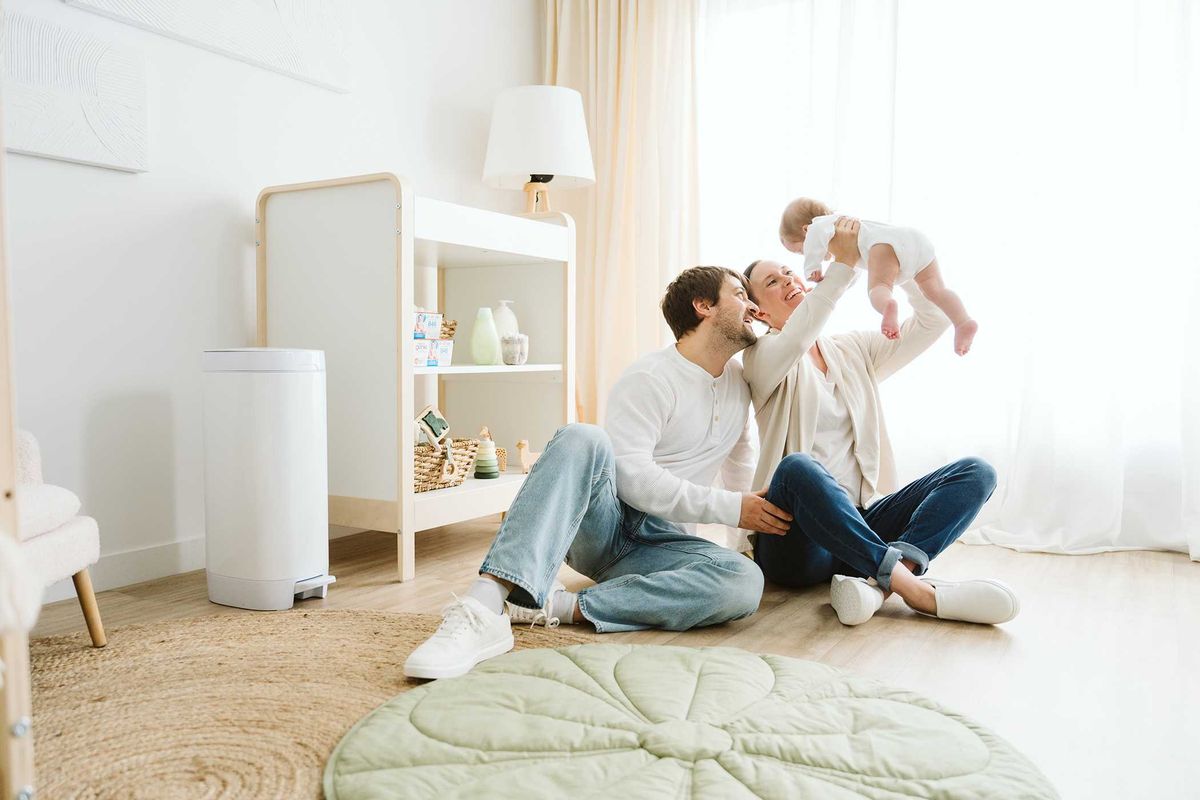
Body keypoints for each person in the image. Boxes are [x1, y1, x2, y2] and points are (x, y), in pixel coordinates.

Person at [404, 265, 792, 680]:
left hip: (664, 545)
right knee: (583, 436)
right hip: (606, 528)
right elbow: (634, 478)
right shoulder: (650, 377)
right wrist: (732, 508)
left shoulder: (739, 384)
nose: (751, 304)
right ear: (703, 307)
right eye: (739, 294)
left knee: (743, 582)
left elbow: (739, 467)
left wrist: (746, 540)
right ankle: (484, 605)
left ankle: (550, 606)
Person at [742, 216, 1018, 626]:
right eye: (772, 283)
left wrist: (892, 260)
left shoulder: (852, 350)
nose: (787, 281)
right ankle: (914, 589)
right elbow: (798, 337)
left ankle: (880, 583)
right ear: (759, 311)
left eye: (788, 272)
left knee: (976, 472)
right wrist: (845, 263)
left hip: (860, 523)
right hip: (795, 540)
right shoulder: (761, 357)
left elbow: (933, 321)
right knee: (798, 468)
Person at [780, 197, 978, 355]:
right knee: (935, 290)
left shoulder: (820, 226)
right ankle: (962, 321)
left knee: (879, 289)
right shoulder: (847, 228)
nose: (804, 254)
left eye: (799, 250)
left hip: (883, 246)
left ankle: (888, 306)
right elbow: (854, 269)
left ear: (806, 229)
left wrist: (812, 268)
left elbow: (815, 241)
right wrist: (843, 282)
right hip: (914, 240)